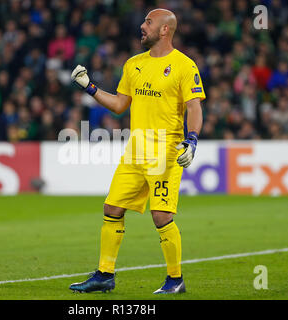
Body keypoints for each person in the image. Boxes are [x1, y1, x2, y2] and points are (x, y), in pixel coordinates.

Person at [69, 8, 205, 294]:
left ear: (165, 30)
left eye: (148, 22)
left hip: (166, 150)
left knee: (161, 216)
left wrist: (191, 139)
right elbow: (120, 105)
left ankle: (175, 279)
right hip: (135, 150)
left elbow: (194, 107)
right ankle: (105, 274)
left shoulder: (184, 65)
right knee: (112, 207)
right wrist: (90, 87)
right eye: (144, 21)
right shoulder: (133, 64)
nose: (142, 27)